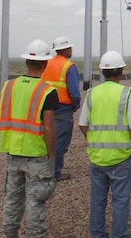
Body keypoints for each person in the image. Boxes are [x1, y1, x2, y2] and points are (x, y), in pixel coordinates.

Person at [0, 39, 59, 238]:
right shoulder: (47, 91)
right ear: (45, 64)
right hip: (37, 155)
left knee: (12, 198)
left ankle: (9, 234)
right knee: (36, 201)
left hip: (13, 153)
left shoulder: (8, 86)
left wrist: (6, 136)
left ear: (27, 62)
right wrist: (51, 153)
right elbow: (49, 127)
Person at [78, 51, 131, 238]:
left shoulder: (91, 94)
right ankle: (119, 234)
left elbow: (82, 124)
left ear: (103, 72)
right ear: (120, 71)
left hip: (97, 158)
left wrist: (93, 141)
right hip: (121, 157)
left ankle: (97, 234)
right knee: (120, 200)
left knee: (97, 200)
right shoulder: (127, 94)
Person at [41, 36, 81, 181]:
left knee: (46, 137)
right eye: (70, 47)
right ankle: (55, 172)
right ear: (65, 49)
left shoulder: (47, 63)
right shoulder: (69, 66)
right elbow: (74, 92)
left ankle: (44, 168)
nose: (71, 50)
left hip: (45, 107)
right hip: (62, 108)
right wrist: (76, 105)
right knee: (60, 141)